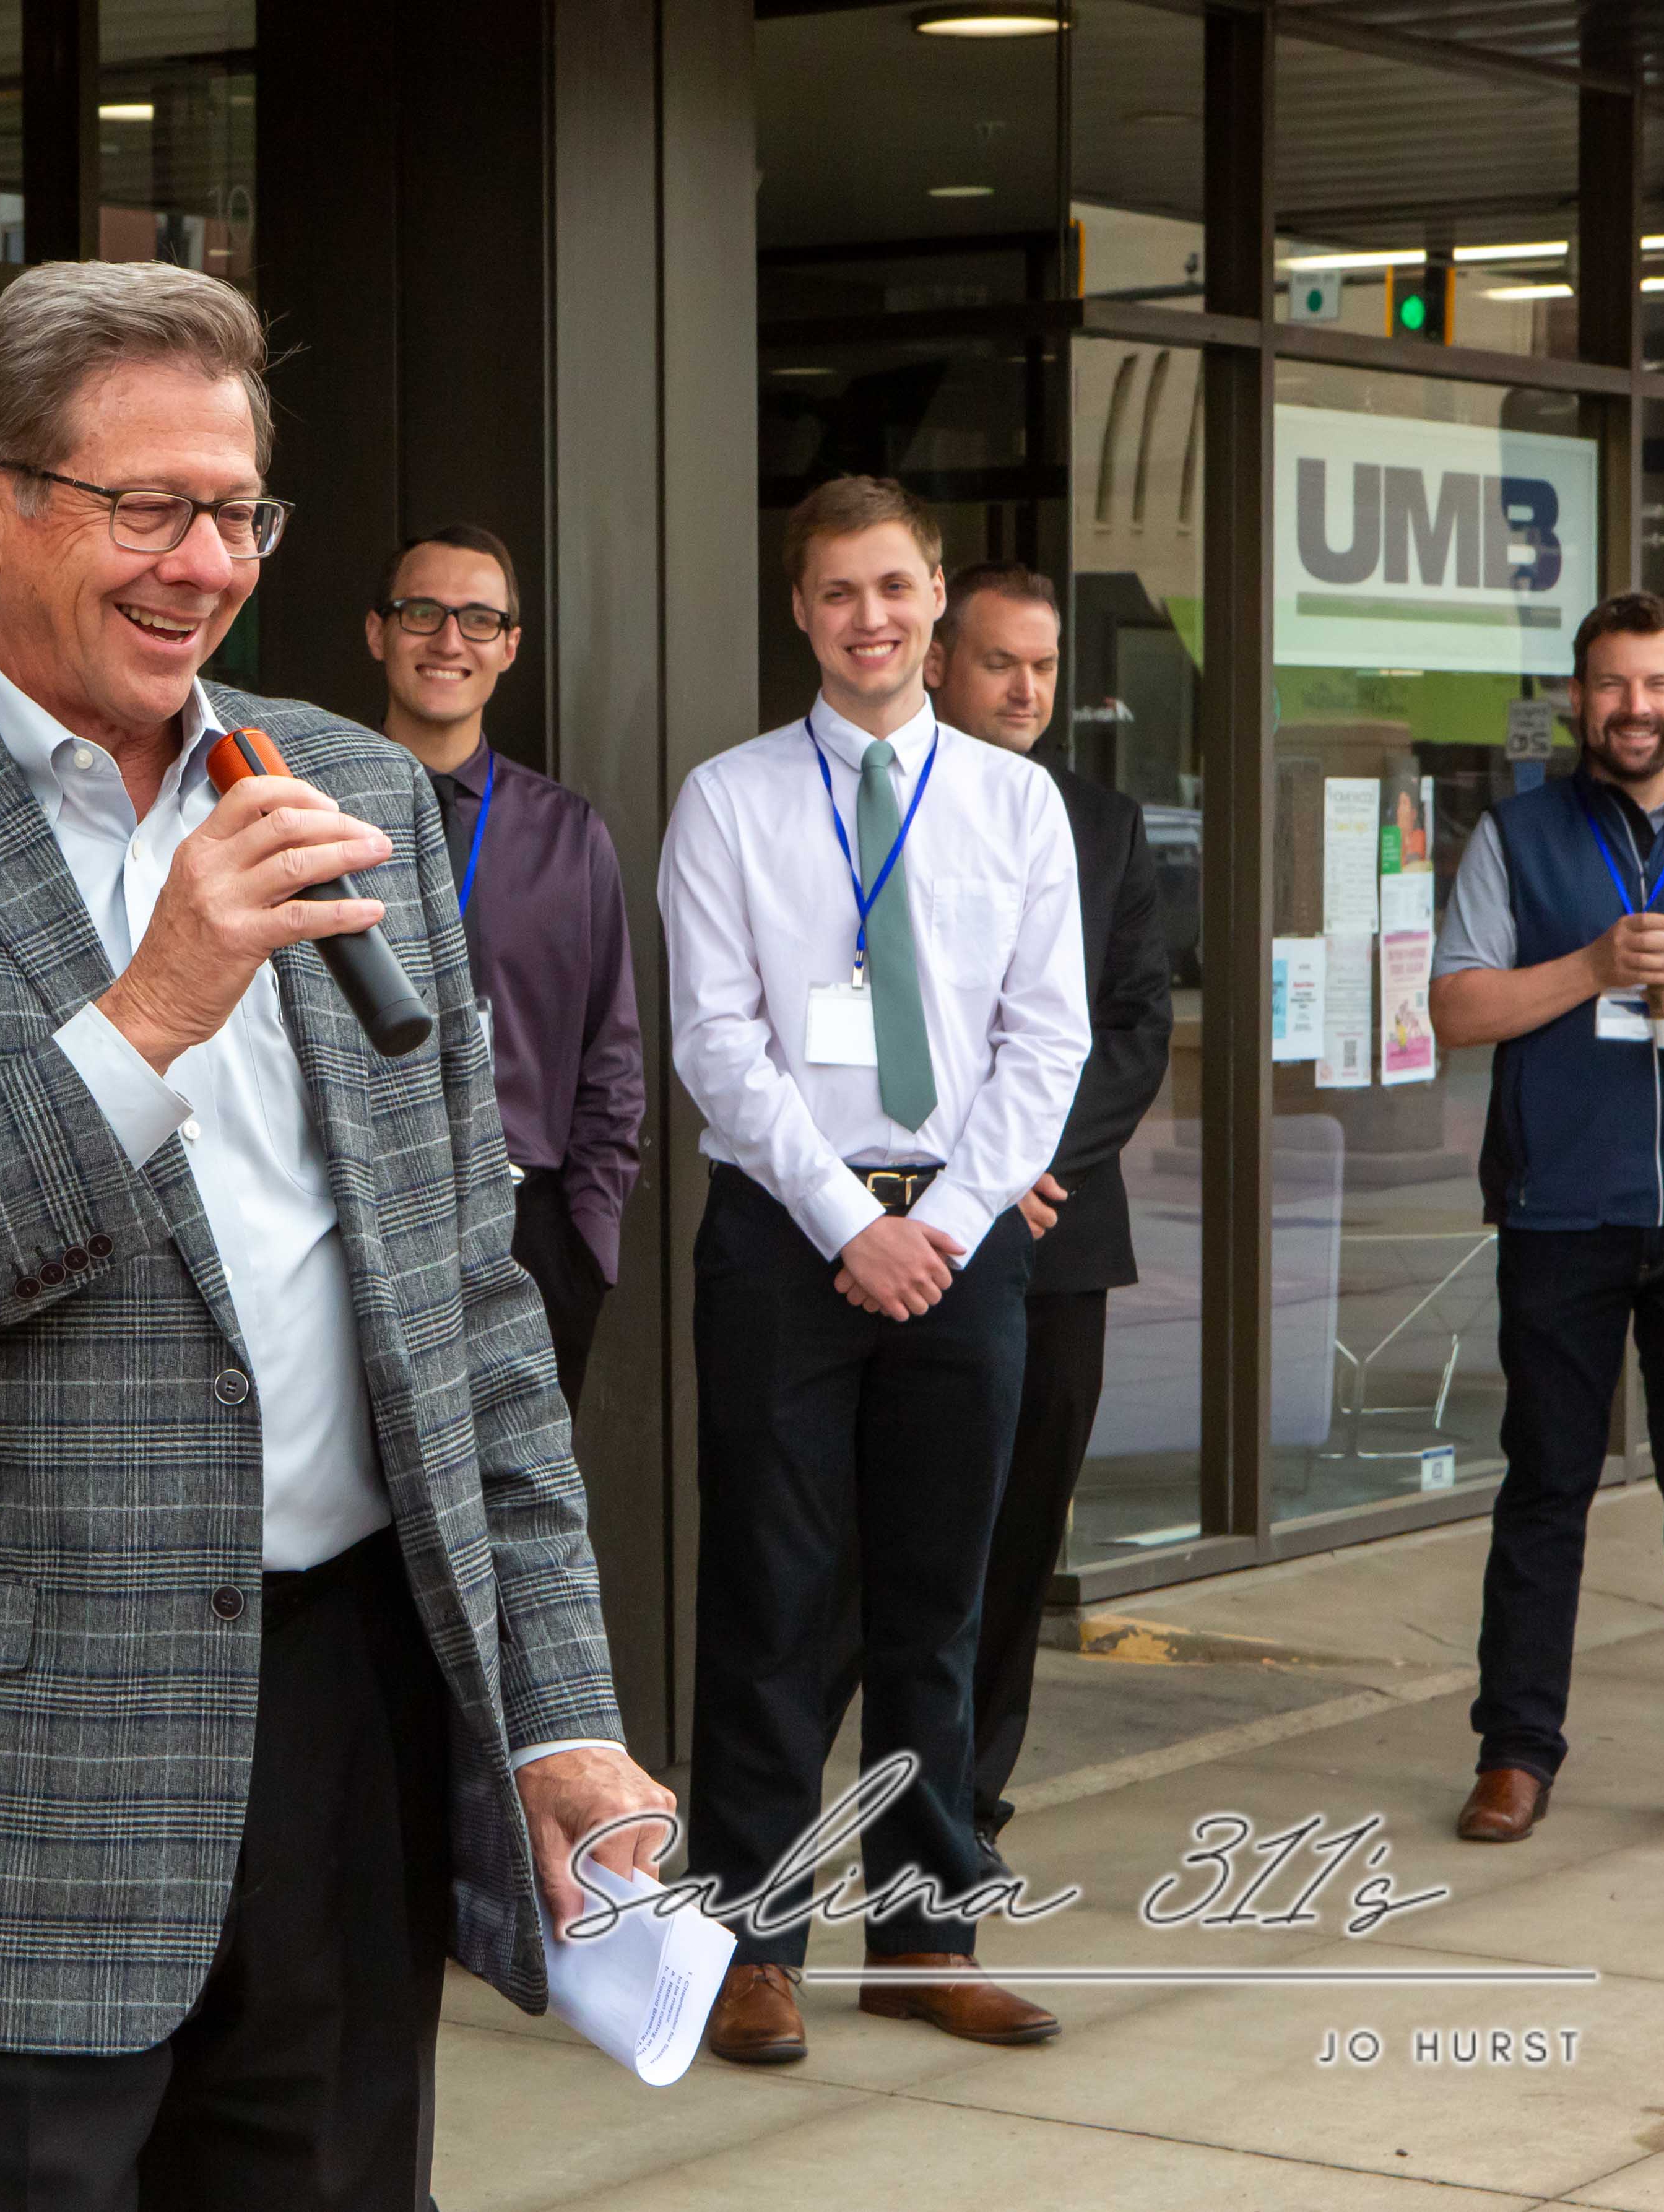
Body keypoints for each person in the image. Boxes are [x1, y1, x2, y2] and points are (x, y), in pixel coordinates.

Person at [0, 260, 669, 2211]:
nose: (206, 565)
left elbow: (468, 1308)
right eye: (148, 508)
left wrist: (561, 1714)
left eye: (238, 511)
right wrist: (146, 1016)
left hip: (345, 1730)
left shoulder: (352, 789)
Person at [658, 477, 1087, 2067]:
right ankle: (750, 1946)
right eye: (838, 590)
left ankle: (923, 1937)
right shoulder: (728, 799)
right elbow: (715, 1038)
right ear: (801, 610)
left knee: (938, 1603)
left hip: (960, 1240)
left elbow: (1046, 1038)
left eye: (893, 586)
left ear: (935, 601)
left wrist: (944, 1224)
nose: (869, 617)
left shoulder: (1013, 804)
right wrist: (852, 1222)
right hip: (786, 1235)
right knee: (768, 1598)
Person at [1428, 589, 1664, 1842]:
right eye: (1611, 684)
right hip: (1560, 1211)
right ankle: (1515, 1753)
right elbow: (1456, 1009)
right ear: (1577, 699)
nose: (1634, 706)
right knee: (1545, 1487)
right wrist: (1593, 967)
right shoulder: (1516, 836)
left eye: (1657, 683)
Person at [919, 563, 1173, 1862]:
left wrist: (1021, 1160)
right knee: (889, 1536)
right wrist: (969, 1165)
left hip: (1055, 1230)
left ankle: (969, 1806)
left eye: (1043, 665)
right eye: (998, 662)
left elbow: (1135, 1026)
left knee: (1021, 1534)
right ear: (937, 664)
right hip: (900, 1227)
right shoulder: (888, 807)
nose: (1026, 688)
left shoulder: (1105, 824)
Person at [362, 526, 644, 1408]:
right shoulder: (311, 814)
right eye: (423, 612)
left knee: (520, 1488)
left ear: (510, 645)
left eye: (479, 619)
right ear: (378, 632)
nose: (450, 640)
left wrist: (588, 1244)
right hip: (356, 1219)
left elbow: (612, 1057)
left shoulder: (570, 835)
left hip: (530, 1231)